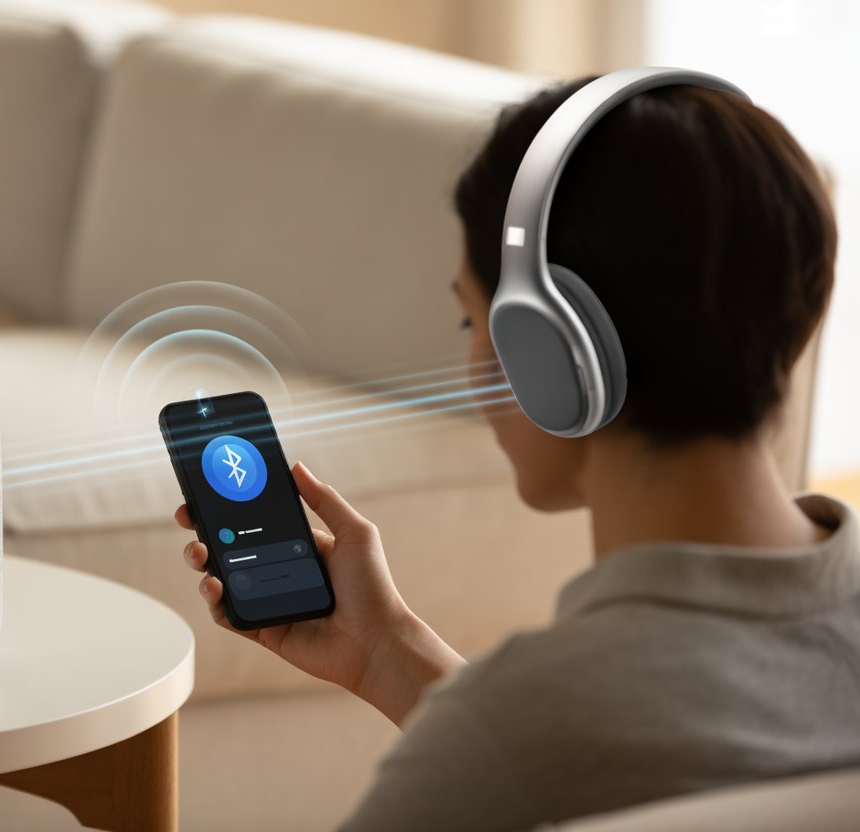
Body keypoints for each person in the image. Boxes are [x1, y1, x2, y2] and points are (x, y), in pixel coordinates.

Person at [175, 76, 853, 830]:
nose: (473, 361)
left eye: (474, 322)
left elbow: (540, 758)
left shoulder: (517, 735)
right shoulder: (528, 736)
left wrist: (477, 724)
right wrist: (387, 651)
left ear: (550, 352)